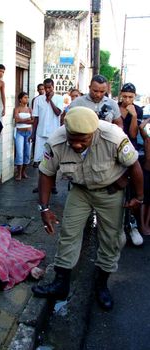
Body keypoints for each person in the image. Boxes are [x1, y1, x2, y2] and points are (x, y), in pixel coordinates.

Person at [32, 106, 144, 311]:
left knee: (112, 238)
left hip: (110, 192)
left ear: (93, 133)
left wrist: (139, 197)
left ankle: (101, 285)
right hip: (80, 191)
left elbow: (134, 165)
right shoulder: (56, 141)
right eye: (72, 138)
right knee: (69, 233)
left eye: (82, 140)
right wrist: (44, 208)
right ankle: (61, 283)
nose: (76, 144)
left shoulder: (113, 136)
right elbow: (46, 173)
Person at [118, 83, 144, 245]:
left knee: (132, 187)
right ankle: (117, 224)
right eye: (125, 96)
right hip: (114, 150)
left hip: (130, 151)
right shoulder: (114, 107)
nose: (127, 100)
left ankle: (132, 224)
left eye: (131, 97)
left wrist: (134, 116)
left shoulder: (138, 110)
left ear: (134, 97)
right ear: (121, 95)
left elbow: (133, 134)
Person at [31, 78, 63, 193]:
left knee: (52, 162)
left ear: (53, 87)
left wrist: (50, 101)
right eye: (45, 88)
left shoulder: (59, 98)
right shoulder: (38, 100)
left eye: (49, 87)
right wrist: (33, 134)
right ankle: (40, 185)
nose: (47, 90)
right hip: (40, 134)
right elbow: (36, 118)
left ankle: (53, 186)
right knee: (40, 162)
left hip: (54, 136)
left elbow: (58, 113)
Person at [13, 92, 34, 180]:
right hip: (19, 133)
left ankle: (23, 172)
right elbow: (17, 120)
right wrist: (27, 119)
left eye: (27, 97)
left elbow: (33, 120)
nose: (27, 99)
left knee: (27, 153)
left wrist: (24, 120)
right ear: (20, 99)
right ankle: (18, 173)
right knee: (20, 153)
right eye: (25, 97)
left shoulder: (29, 109)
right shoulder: (17, 109)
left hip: (28, 133)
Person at [31, 83, 45, 168]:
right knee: (35, 141)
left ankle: (43, 160)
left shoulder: (48, 99)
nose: (42, 90)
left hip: (44, 124)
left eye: (43, 89)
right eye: (40, 89)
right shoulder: (36, 99)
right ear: (38, 90)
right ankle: (35, 159)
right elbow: (35, 114)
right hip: (37, 123)